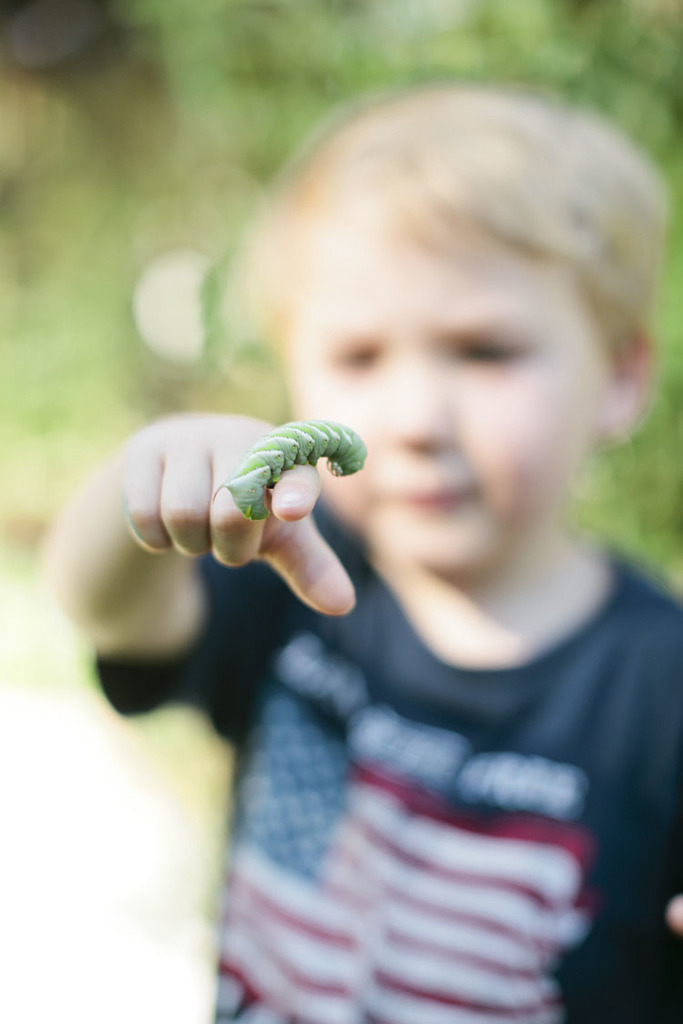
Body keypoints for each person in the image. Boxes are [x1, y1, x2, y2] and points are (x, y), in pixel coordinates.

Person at [44, 83, 683, 1022]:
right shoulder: (288, 568)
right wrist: (143, 485)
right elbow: (105, 607)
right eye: (358, 357)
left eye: (485, 351)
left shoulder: (663, 690)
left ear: (619, 378)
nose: (416, 419)